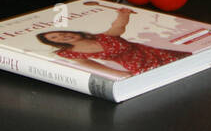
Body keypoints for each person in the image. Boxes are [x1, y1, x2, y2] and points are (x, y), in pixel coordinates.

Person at [36, 5, 190, 79]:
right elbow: (91, 65)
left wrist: (124, 14)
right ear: (54, 43)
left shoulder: (103, 37)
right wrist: (121, 74)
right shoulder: (67, 53)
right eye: (54, 38)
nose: (62, 36)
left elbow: (119, 27)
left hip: (154, 53)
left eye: (62, 33)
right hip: (136, 66)